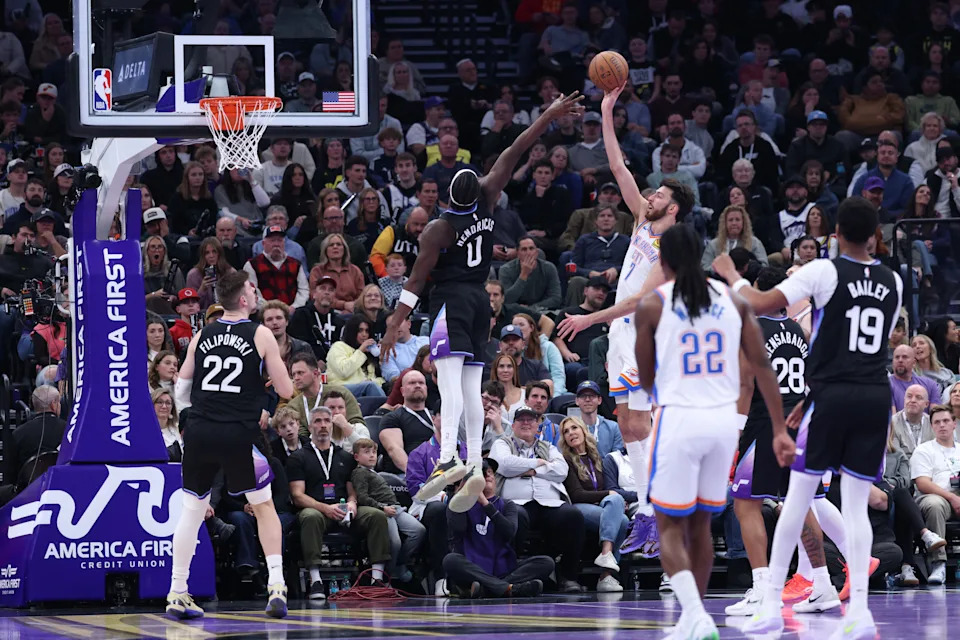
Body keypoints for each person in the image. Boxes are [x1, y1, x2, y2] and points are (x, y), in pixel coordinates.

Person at [380, 90, 585, 514]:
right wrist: (548, 113)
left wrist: (394, 322)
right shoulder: (489, 196)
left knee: (449, 384)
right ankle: (474, 460)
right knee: (473, 388)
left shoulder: (438, 228)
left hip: (451, 303)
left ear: (446, 198)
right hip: (481, 303)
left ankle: (446, 458)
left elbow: (414, 282)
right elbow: (515, 149)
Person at [713, 196, 903, 638]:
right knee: (853, 505)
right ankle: (859, 613)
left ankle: (769, 604)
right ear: (875, 236)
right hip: (874, 395)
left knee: (797, 500)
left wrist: (731, 275)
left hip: (833, 396)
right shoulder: (893, 281)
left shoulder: (824, 271)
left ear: (835, 235)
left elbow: (760, 300)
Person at [557, 83, 695, 557]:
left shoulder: (671, 247)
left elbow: (636, 301)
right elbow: (617, 166)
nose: (649, 195)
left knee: (643, 422)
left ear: (672, 207)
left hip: (644, 332)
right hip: (620, 332)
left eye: (658, 194)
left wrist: (587, 319)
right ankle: (650, 508)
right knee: (627, 423)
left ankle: (662, 508)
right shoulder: (640, 219)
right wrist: (606, 109)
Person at [634, 224, 786, 639]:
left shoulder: (652, 304)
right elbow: (762, 368)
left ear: (663, 260)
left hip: (680, 417)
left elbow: (646, 379)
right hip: (722, 422)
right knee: (700, 526)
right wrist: (778, 427)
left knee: (668, 526)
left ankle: (695, 615)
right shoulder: (733, 300)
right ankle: (693, 618)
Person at [166, 271, 295, 620]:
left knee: (191, 511)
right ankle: (276, 585)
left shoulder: (202, 334)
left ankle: (177, 591)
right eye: (252, 289)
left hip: (200, 430)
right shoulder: (261, 333)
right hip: (238, 432)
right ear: (243, 299)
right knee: (263, 507)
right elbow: (286, 390)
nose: (256, 293)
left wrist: (192, 418)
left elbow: (181, 387)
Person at [727, 267, 844, 616]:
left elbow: (746, 383)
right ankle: (822, 585)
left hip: (766, 421)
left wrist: (735, 431)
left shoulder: (750, 327)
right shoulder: (797, 330)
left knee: (745, 505)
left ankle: (763, 589)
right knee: (799, 503)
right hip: (800, 421)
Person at [288, 407, 392, 596]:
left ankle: (377, 578)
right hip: (317, 509)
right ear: (310, 427)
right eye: (317, 421)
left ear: (332, 425)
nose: (323, 425)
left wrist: (352, 504)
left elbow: (352, 491)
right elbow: (297, 495)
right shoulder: (299, 457)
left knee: (376, 515)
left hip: (344, 508)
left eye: (326, 421)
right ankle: (316, 581)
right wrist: (326, 508)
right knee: (310, 516)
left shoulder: (344, 456)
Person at [442, 458, 553, 598]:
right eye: (483, 473)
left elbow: (509, 532)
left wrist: (485, 503)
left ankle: (489, 589)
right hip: (473, 568)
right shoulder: (460, 504)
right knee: (450, 560)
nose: (488, 475)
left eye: (490, 472)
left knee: (546, 562)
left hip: (502, 567)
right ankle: (508, 588)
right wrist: (463, 494)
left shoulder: (507, 505)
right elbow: (458, 529)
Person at [558, 416, 629, 592]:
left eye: (574, 428)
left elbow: (609, 488)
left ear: (584, 430)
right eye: (566, 431)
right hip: (578, 507)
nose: (571, 433)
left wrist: (614, 499)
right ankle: (607, 566)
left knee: (623, 518)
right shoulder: (565, 460)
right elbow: (576, 495)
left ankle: (606, 569)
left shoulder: (596, 456)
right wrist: (608, 495)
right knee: (619, 513)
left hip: (601, 505)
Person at [351, 438, 426, 582]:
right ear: (356, 457)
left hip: (396, 508)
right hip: (383, 511)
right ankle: (387, 577)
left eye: (374, 452)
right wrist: (382, 507)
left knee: (418, 531)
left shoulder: (374, 472)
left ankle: (399, 564)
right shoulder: (359, 473)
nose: (372, 455)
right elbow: (362, 497)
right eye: (366, 452)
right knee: (394, 543)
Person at [910, 404, 960, 585]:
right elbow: (923, 483)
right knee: (934, 505)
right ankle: (938, 563)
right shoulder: (924, 450)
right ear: (932, 426)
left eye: (946, 421)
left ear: (954, 423)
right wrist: (952, 497)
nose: (942, 425)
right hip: (936, 496)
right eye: (937, 422)